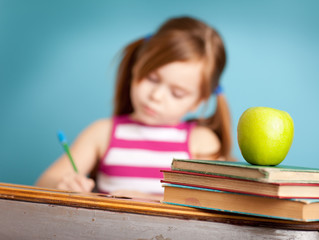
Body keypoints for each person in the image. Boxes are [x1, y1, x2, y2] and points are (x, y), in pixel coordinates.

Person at [36, 16, 234, 199]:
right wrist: (63, 184)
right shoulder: (101, 133)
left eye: (177, 93)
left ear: (198, 101)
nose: (156, 96)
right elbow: (44, 183)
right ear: (137, 66)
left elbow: (218, 202)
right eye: (152, 78)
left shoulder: (201, 142)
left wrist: (149, 202)